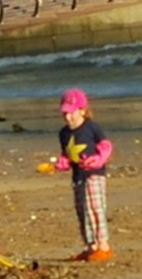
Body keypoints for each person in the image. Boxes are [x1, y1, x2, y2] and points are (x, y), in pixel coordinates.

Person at [54, 88, 113, 262]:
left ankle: (103, 245)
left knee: (95, 207)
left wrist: (99, 159)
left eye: (71, 113)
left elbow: (106, 146)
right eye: (64, 113)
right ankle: (91, 246)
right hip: (77, 175)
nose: (67, 117)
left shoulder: (91, 128)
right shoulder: (64, 133)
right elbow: (66, 153)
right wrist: (63, 162)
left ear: (82, 110)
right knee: (81, 210)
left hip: (94, 174)